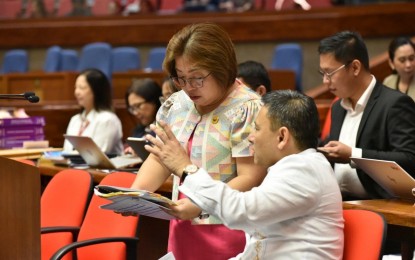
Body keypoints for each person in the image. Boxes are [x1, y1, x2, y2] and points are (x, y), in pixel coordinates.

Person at [145, 90, 344, 259]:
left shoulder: (304, 171)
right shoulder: (292, 167)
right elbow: (257, 247)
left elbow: (240, 211)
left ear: (282, 137)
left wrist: (187, 169)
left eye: (256, 129)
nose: (250, 138)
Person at [129, 22, 267, 260]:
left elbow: (251, 177)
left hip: (228, 229)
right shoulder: (177, 104)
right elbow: (162, 157)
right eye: (180, 78)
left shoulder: (247, 107)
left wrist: (202, 202)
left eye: (197, 78)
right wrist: (133, 195)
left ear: (222, 69)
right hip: (182, 223)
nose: (188, 87)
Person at [317, 31, 415, 200]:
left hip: (382, 205)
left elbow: (409, 159)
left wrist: (354, 155)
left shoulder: (394, 103)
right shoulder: (338, 108)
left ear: (355, 67)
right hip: (339, 203)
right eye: (322, 74)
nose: (325, 81)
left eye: (330, 73)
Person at [63, 68, 123, 155]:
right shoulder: (75, 120)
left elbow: (98, 156)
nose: (77, 92)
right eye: (76, 87)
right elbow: (67, 152)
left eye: (82, 88)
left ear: (96, 90)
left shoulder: (107, 120)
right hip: (74, 167)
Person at [383, 37, 415, 101]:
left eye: (411, 58)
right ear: (392, 63)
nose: (408, 65)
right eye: (402, 60)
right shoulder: (388, 82)